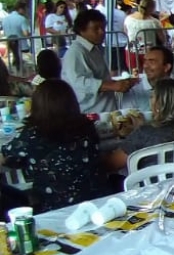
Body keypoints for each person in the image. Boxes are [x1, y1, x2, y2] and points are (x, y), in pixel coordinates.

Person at [1, 80, 110, 213]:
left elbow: (6, 157)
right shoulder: (87, 127)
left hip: (55, 209)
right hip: (100, 204)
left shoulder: (32, 136)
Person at [110, 78, 174, 170]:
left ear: (160, 104)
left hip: (152, 186)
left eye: (152, 96)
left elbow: (113, 163)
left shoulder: (143, 133)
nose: (150, 100)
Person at [64, 9, 138, 113]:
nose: (102, 32)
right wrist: (112, 85)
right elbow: (78, 82)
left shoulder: (95, 48)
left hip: (104, 110)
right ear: (82, 30)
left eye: (103, 28)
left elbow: (99, 77)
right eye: (96, 29)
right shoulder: (76, 52)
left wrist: (119, 83)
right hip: (90, 113)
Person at [123, 46, 174, 110]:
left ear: (166, 67)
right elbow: (127, 116)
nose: (145, 66)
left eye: (152, 62)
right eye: (145, 61)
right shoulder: (134, 87)